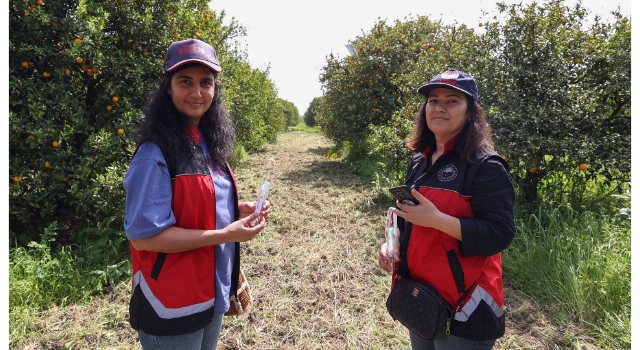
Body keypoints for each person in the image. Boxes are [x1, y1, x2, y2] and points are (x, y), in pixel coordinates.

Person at [123, 38, 271, 350]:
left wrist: (235, 209)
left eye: (206, 82)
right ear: (168, 87)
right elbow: (144, 238)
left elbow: (200, 202)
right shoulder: (155, 152)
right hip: (170, 300)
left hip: (210, 288)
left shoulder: (207, 142)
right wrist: (224, 234)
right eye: (185, 82)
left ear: (215, 89)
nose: (197, 92)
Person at [378, 69, 516, 349]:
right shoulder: (420, 161)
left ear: (470, 113)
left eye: (452, 101)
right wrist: (394, 246)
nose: (439, 107)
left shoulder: (486, 166)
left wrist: (438, 220)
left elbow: (500, 234)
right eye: (433, 100)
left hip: (466, 306)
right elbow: (411, 218)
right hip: (421, 295)